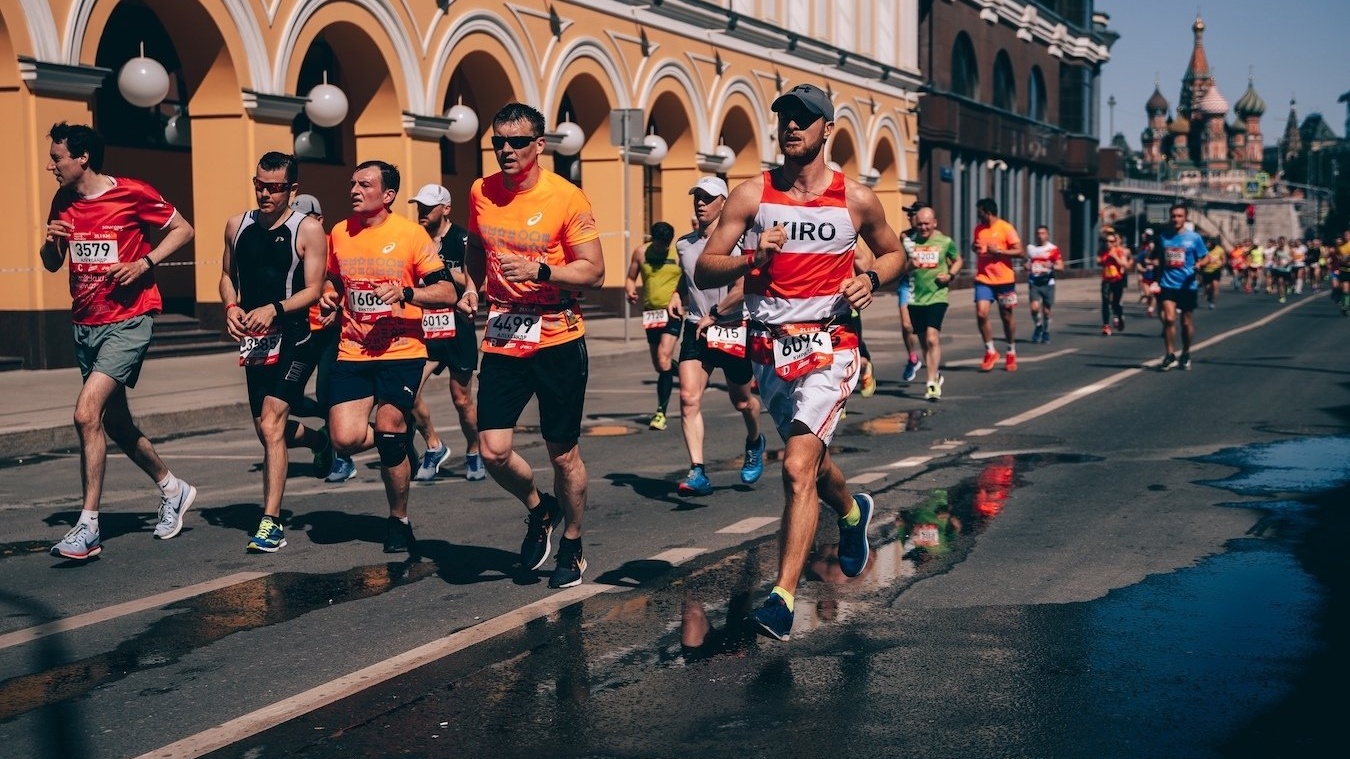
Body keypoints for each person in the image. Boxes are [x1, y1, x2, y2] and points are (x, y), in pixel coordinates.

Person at [693, 83, 908, 641]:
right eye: (785, 116)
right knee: (810, 463)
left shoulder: (854, 198)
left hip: (830, 346)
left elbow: (895, 253)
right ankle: (854, 511)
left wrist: (871, 278)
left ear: (825, 131)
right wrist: (752, 256)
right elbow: (705, 269)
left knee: (794, 466)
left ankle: (783, 597)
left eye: (804, 118)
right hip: (769, 347)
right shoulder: (751, 195)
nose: (791, 126)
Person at [459, 103, 605, 589]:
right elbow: (478, 245)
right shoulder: (481, 191)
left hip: (557, 334)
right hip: (503, 331)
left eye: (517, 142)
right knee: (493, 449)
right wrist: (472, 285)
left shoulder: (567, 198)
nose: (506, 150)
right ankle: (541, 510)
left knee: (562, 453)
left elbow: (594, 271)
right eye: (498, 141)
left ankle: (573, 544)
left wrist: (544, 271)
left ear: (539, 145)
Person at [40, 122, 198, 560]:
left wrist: (145, 262)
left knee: (86, 412)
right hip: (85, 323)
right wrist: (52, 246)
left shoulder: (132, 193)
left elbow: (183, 229)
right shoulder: (63, 201)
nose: (51, 165)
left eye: (58, 158)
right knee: (116, 424)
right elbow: (52, 263)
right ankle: (173, 487)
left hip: (129, 318)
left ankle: (88, 527)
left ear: (83, 157)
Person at [319, 160, 457, 553]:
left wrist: (407, 294)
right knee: (343, 440)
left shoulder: (411, 235)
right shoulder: (340, 232)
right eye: (352, 184)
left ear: (388, 194)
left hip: (402, 348)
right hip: (353, 348)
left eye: (365, 184)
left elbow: (445, 292)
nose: (354, 190)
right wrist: (330, 295)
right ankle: (397, 437)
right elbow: (332, 278)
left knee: (390, 424)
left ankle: (399, 520)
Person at [219, 152, 328, 552]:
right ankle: (318, 441)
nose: (265, 193)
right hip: (255, 341)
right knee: (268, 432)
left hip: (297, 336)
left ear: (292, 189)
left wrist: (274, 309)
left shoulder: (309, 230)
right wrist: (231, 307)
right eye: (259, 185)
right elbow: (227, 277)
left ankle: (271, 523)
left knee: (271, 425)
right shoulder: (237, 225)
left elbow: (314, 289)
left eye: (275, 187)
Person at [666, 176, 765, 496]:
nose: (701, 203)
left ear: (724, 203)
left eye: (708, 198)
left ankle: (755, 440)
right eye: (697, 197)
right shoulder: (684, 243)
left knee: (742, 400)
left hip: (733, 327)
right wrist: (677, 294)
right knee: (688, 398)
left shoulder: (738, 245)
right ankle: (697, 471)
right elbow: (690, 277)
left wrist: (717, 314)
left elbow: (743, 288)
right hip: (697, 327)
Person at [406, 183, 486, 483]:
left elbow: (478, 282)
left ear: (446, 209)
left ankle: (475, 450)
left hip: (457, 329)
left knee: (462, 399)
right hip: (424, 328)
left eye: (428, 207)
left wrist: (438, 269)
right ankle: (434, 446)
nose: (422, 212)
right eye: (419, 206)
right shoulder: (414, 238)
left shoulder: (463, 239)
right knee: (408, 393)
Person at [285, 194, 357, 483]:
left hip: (329, 332)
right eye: (296, 217)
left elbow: (345, 283)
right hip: (300, 332)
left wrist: (337, 309)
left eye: (306, 217)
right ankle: (327, 432)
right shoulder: (291, 243)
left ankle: (344, 459)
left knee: (328, 394)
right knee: (290, 400)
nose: (300, 223)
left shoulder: (332, 244)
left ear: (319, 218)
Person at [624, 221, 682, 430]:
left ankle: (660, 414)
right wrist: (630, 290)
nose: (662, 249)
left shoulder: (677, 254)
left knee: (663, 359)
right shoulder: (641, 253)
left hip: (673, 312)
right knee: (660, 365)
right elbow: (631, 278)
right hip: (651, 314)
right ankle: (685, 372)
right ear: (652, 240)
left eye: (665, 245)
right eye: (658, 245)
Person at [905, 207, 961, 401]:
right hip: (915, 298)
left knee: (932, 337)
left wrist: (950, 275)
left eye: (927, 223)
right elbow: (899, 267)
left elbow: (958, 259)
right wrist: (908, 266)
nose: (923, 227)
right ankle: (934, 372)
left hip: (938, 295)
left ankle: (931, 384)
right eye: (920, 223)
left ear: (934, 223)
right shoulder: (909, 242)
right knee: (923, 341)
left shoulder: (945, 242)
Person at [971, 197, 1025, 371]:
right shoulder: (978, 229)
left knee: (1006, 316)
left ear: (988, 212)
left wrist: (1000, 251)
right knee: (981, 313)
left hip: (1004, 280)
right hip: (984, 278)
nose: (978, 216)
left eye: (979, 212)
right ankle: (990, 350)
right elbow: (977, 247)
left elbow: (1020, 251)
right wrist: (974, 247)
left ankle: (1011, 350)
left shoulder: (1006, 228)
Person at [1150, 203, 1206, 371]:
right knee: (1169, 319)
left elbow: (1206, 257)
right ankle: (1170, 354)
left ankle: (1186, 352)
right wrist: (1155, 280)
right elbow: (1160, 260)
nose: (1176, 219)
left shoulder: (1194, 238)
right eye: (1173, 216)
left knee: (1186, 322)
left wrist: (1199, 264)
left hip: (1187, 285)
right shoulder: (1164, 237)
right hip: (1168, 284)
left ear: (1185, 217)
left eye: (1179, 216)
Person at [897, 202, 927, 383]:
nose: (909, 217)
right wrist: (909, 265)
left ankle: (932, 365)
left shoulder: (933, 238)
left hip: (926, 287)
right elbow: (901, 264)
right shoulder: (904, 236)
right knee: (907, 325)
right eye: (908, 215)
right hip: (907, 284)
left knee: (923, 330)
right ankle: (913, 358)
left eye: (912, 214)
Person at [1024, 224, 1064, 343]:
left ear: (1047, 235)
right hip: (1034, 282)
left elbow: (1061, 266)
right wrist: (1027, 266)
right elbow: (1026, 263)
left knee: (1046, 312)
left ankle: (1046, 331)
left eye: (1043, 233)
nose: (1040, 236)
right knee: (1034, 308)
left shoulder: (1053, 249)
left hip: (1048, 283)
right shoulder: (1031, 248)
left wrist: (1051, 265)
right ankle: (1038, 326)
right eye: (1038, 234)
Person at [1099, 231, 1131, 335]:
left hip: (1117, 280)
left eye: (1111, 241)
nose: (1108, 243)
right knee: (1105, 301)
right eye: (1107, 241)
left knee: (1115, 303)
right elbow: (1099, 261)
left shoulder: (1119, 251)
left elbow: (1125, 264)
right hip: (1106, 279)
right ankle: (1106, 326)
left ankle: (1119, 316)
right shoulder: (1103, 251)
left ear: (1114, 242)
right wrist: (1100, 261)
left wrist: (1115, 258)